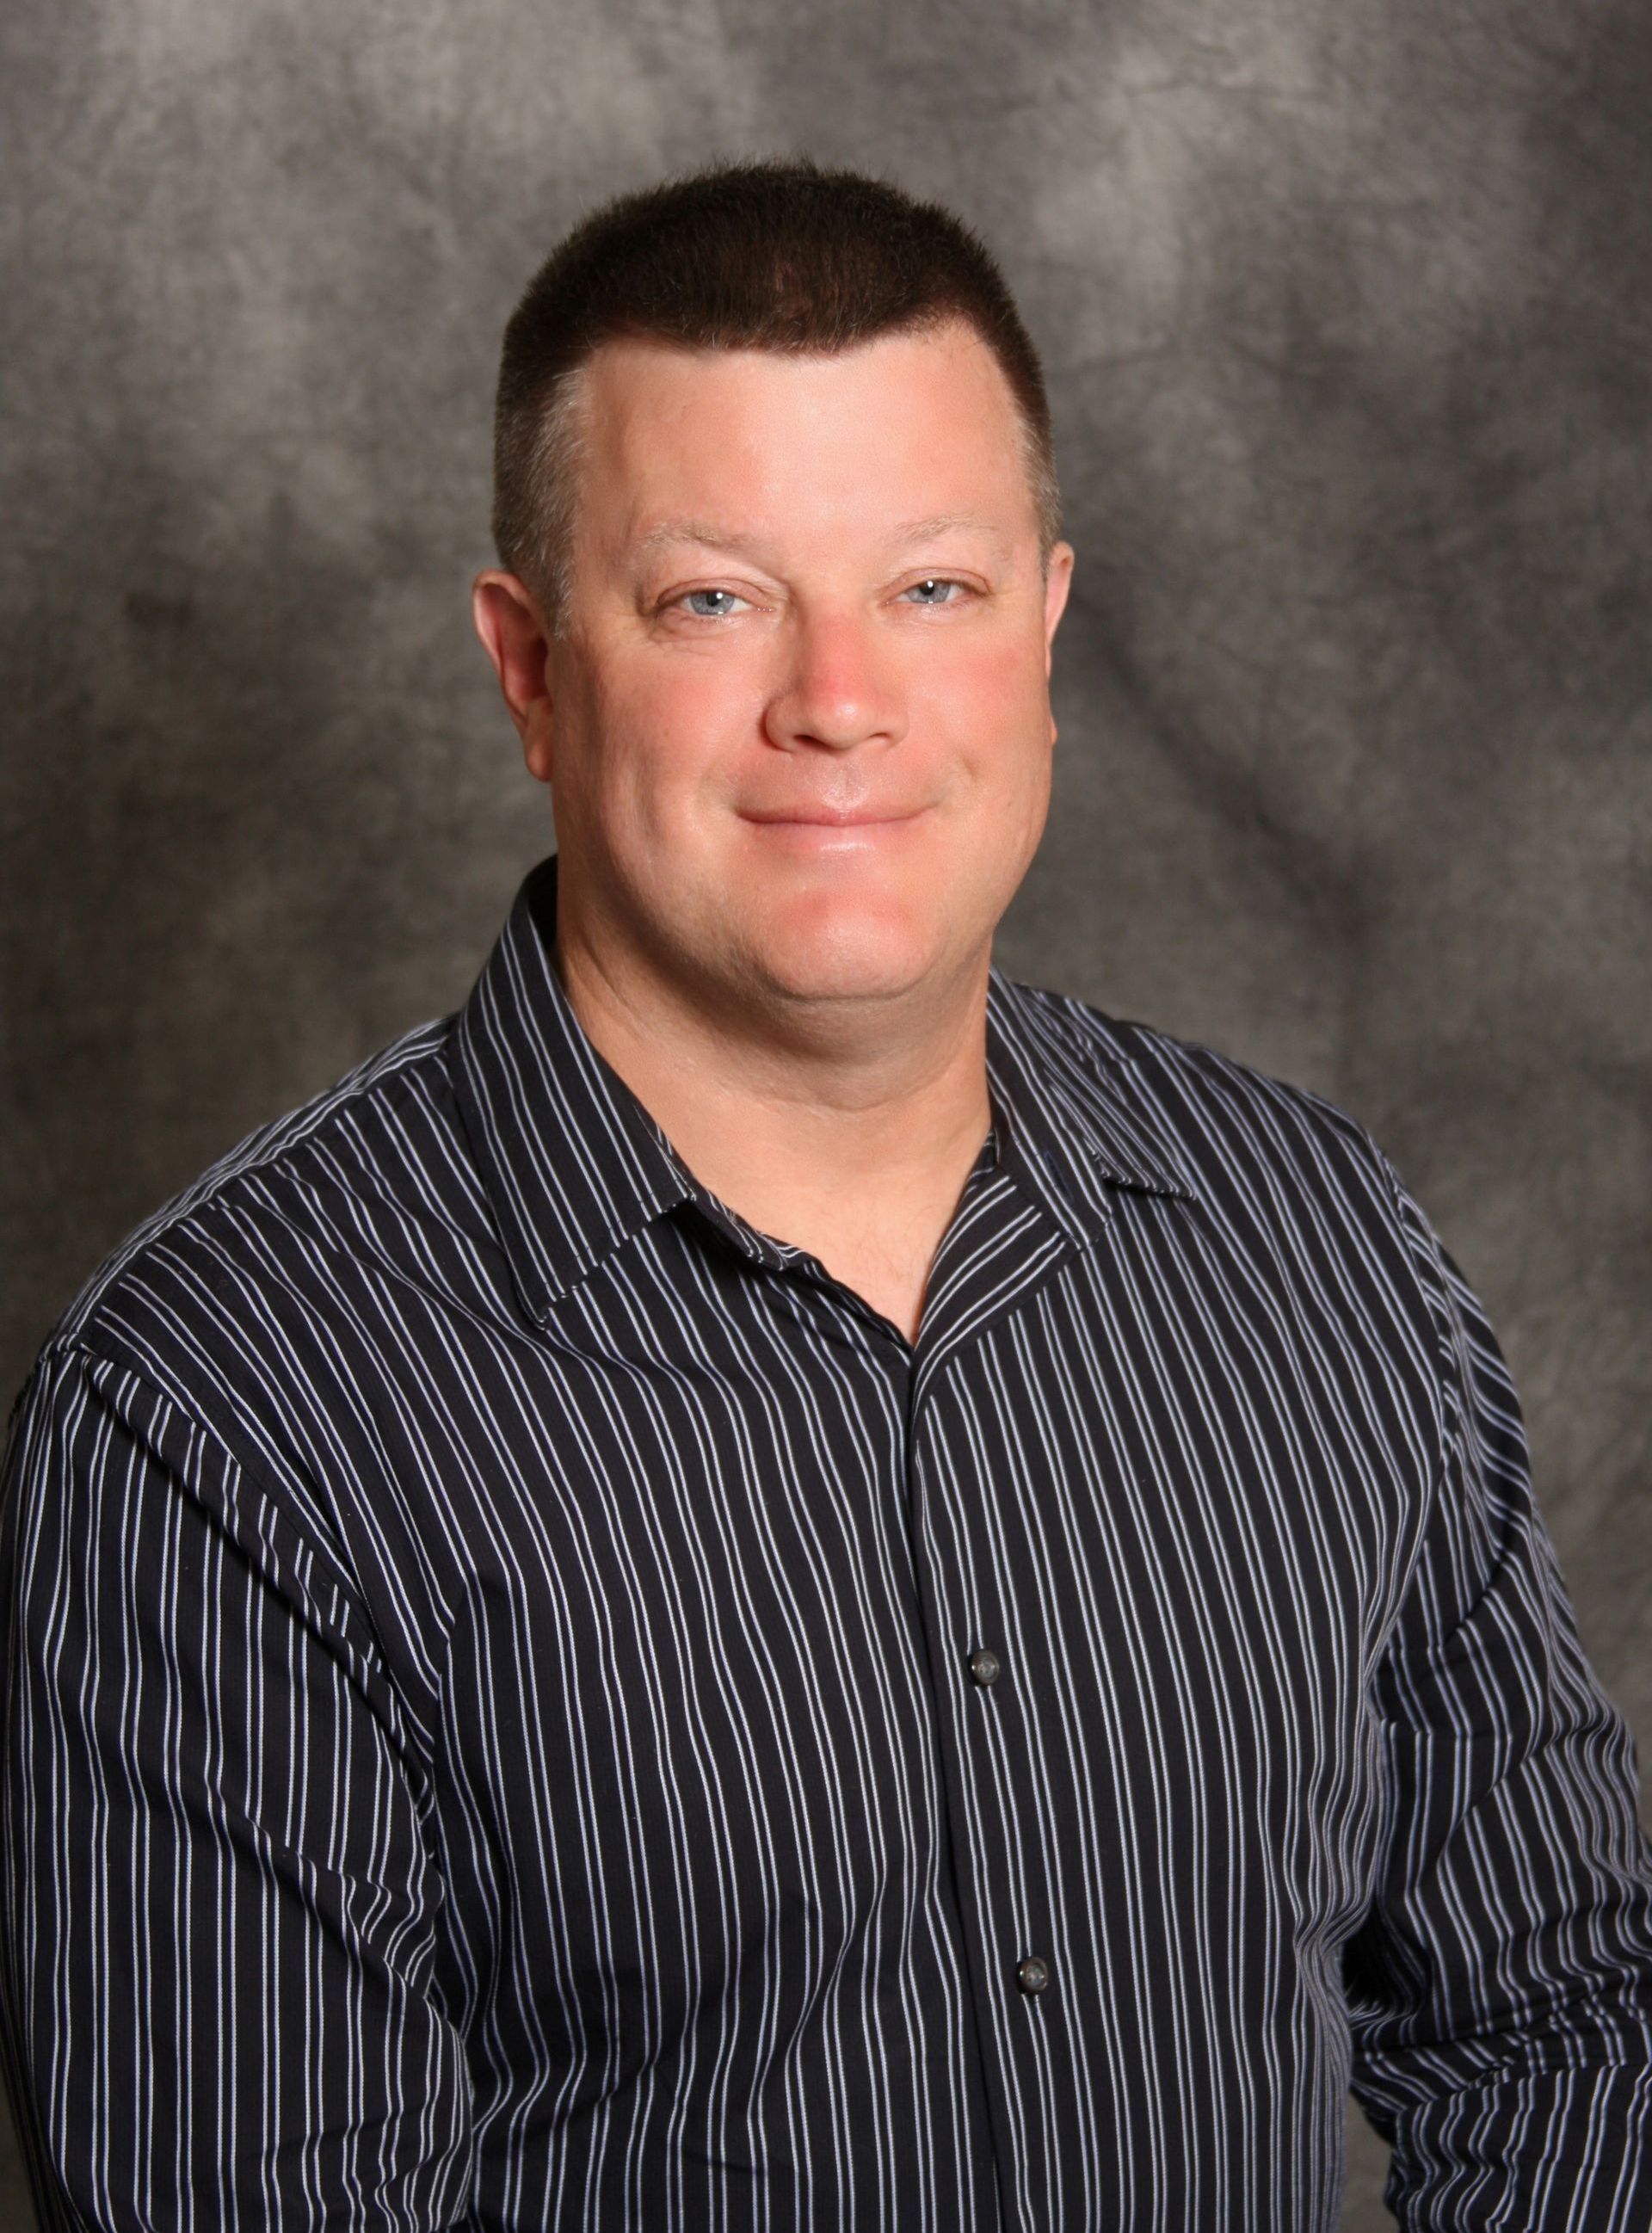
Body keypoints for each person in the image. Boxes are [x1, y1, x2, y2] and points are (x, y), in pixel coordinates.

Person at [2, 158, 1649, 2233]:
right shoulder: (219, 1414)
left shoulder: (1311, 1243)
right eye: (714, 598)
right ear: (528, 666)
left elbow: (1566, 2016)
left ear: (1045, 630)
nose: (840, 701)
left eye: (932, 589)